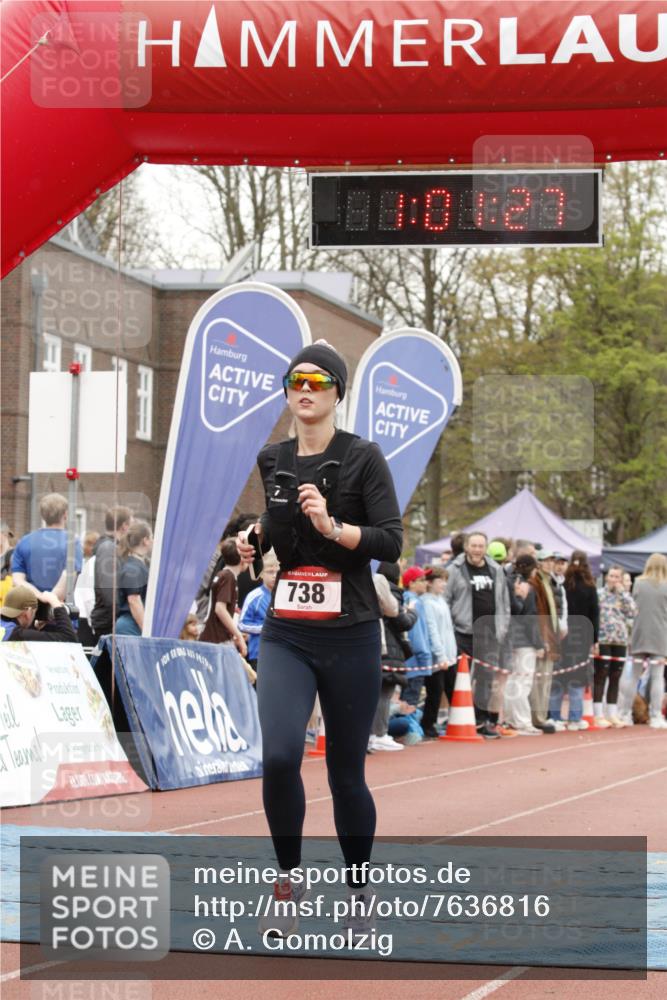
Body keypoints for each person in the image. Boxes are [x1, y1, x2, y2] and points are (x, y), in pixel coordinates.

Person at [236, 339, 402, 937]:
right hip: (287, 632)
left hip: (351, 633)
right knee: (280, 756)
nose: (305, 391)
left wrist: (337, 527)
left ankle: (358, 884)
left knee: (344, 773)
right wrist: (255, 537)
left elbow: (391, 541)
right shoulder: (272, 457)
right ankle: (288, 877)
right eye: (296, 382)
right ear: (286, 393)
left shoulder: (363, 458)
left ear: (336, 393)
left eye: (318, 382)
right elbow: (276, 524)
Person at [445, 531, 511, 739]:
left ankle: (481, 720)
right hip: (463, 631)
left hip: (489, 632)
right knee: (457, 677)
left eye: (480, 546)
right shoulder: (455, 569)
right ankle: (456, 716)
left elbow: (503, 601)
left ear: (486, 548)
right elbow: (446, 598)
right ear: (466, 547)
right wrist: (450, 626)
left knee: (485, 678)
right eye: (473, 545)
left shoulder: (495, 569)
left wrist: (502, 627)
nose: (476, 550)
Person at [548, 550, 599, 731]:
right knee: (577, 678)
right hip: (582, 637)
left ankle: (554, 716)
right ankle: (575, 717)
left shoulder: (563, 586)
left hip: (562, 635)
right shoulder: (590, 586)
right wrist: (595, 640)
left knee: (558, 676)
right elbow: (594, 615)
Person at [372, 561, 419, 749]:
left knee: (380, 694)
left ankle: (375, 734)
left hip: (380, 646)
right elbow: (402, 621)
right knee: (383, 694)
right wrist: (413, 612)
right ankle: (379, 734)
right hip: (389, 648)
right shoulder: (391, 592)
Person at [619, 554, 667, 730]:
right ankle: (656, 715)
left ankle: (624, 713)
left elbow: (633, 607)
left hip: (639, 634)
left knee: (633, 675)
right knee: (657, 676)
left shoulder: (638, 583)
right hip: (660, 635)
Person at [11, 493, 82, 600]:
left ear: (42, 515)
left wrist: (40, 597)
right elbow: (68, 577)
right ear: (66, 514)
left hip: (30, 611)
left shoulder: (24, 542)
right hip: (62, 610)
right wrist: (50, 599)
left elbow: (18, 580)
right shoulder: (73, 542)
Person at [503, 555, 545, 736]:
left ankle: (511, 719)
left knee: (512, 681)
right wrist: (539, 644)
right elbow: (530, 618)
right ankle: (523, 722)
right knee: (523, 682)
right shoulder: (526, 586)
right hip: (524, 641)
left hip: (509, 637)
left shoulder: (507, 581)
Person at [595, 565, 637, 728]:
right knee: (601, 675)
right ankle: (598, 713)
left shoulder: (624, 596)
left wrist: (624, 594)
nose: (613, 580)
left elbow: (633, 612)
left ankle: (612, 713)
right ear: (607, 577)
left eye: (617, 577)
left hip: (620, 640)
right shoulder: (599, 594)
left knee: (615, 676)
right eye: (611, 576)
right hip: (604, 639)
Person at [420, 567, 457, 738]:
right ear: (429, 583)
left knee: (452, 689)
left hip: (450, 655)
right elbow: (432, 630)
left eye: (445, 580)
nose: (444, 584)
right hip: (438, 657)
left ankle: (456, 721)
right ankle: (428, 724)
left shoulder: (441, 600)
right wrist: (441, 655)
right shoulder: (427, 603)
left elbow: (448, 629)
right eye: (439, 580)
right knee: (435, 691)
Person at [90, 506, 133, 642]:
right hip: (109, 623)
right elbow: (109, 590)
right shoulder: (108, 549)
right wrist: (120, 616)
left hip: (109, 620)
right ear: (124, 526)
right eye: (132, 525)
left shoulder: (111, 547)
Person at [199, 538, 248, 656]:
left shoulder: (224, 575)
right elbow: (220, 609)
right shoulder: (228, 577)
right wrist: (238, 635)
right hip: (217, 641)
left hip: (215, 638)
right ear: (242, 558)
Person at [238, 551, 280, 675]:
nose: (274, 576)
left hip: (282, 654)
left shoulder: (285, 596)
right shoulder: (254, 597)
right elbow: (241, 624)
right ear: (261, 574)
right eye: (270, 572)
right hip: (259, 654)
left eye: (277, 572)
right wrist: (264, 628)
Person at [1, 585, 77, 642]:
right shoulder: (18, 634)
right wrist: (55, 602)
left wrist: (34, 629)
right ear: (27, 613)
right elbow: (69, 638)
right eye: (34, 613)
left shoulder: (7, 629)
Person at [115, 521, 153, 636]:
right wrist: (146, 630)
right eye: (152, 538)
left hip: (134, 623)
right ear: (145, 540)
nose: (153, 541)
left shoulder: (138, 564)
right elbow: (134, 600)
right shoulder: (133, 567)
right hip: (131, 625)